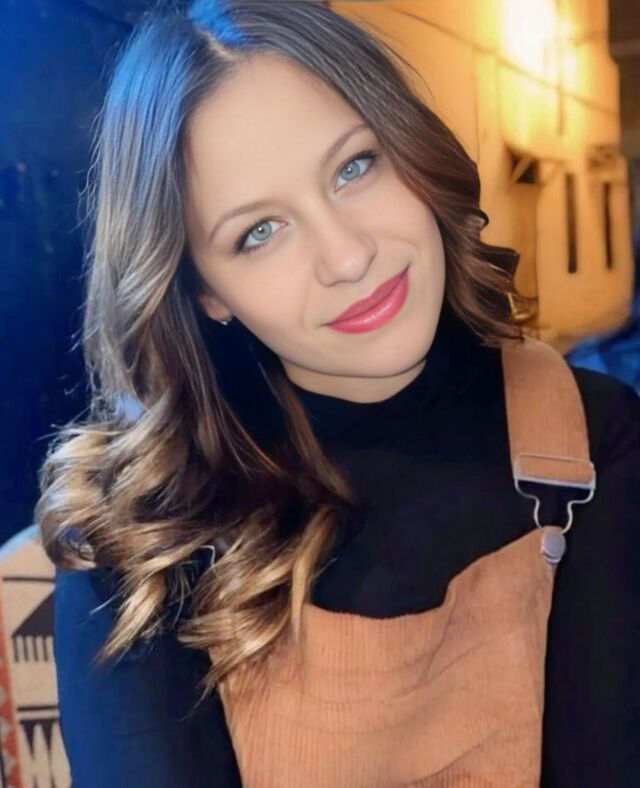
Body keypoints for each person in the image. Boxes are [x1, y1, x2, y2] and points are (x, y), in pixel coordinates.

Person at [36, 1, 640, 786]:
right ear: (205, 291)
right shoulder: (139, 537)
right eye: (259, 232)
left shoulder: (593, 435)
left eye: (354, 167)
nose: (347, 257)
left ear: (410, 148)